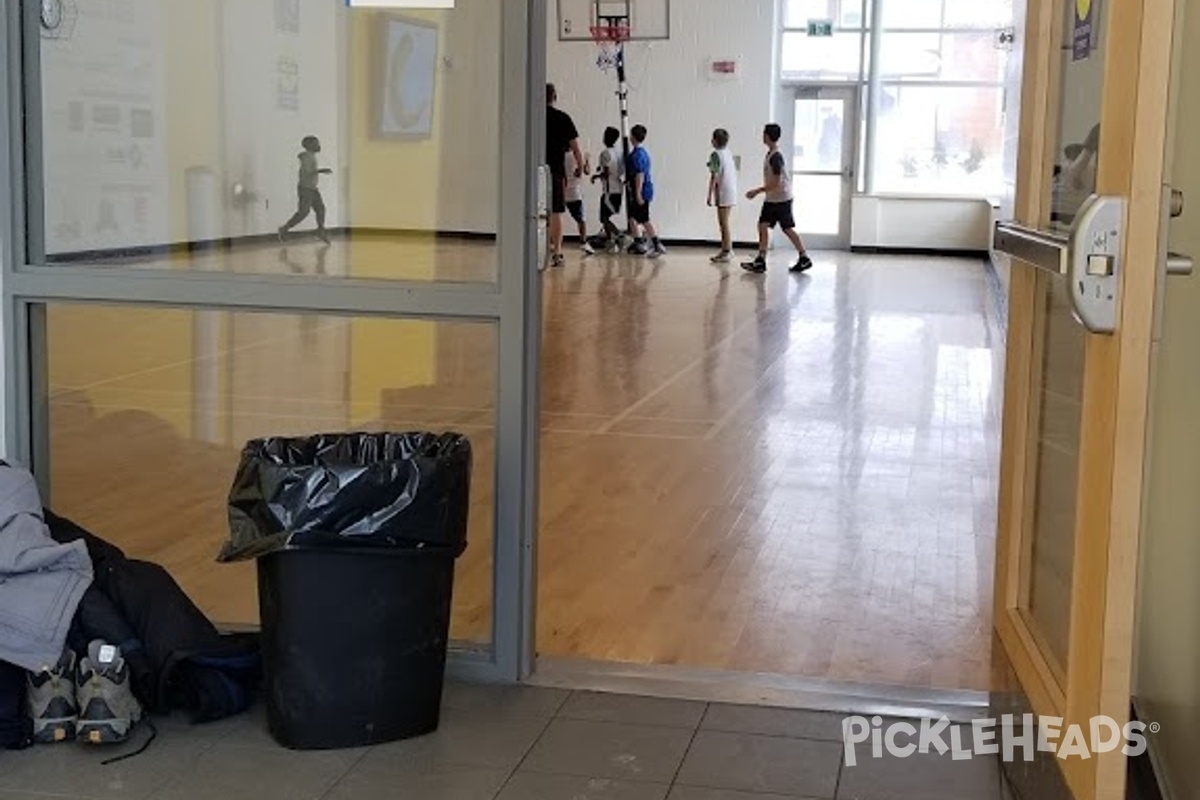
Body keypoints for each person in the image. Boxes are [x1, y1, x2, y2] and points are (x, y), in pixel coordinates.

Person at [742, 123, 813, 274]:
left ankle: (803, 257)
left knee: (786, 228)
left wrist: (757, 191)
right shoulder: (771, 154)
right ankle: (761, 260)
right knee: (763, 225)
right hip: (774, 198)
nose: (762, 136)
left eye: (763, 133)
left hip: (781, 199)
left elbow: (775, 182)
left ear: (767, 136)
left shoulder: (776, 157)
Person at [546, 83, 585, 268]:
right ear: (555, 96)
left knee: (533, 212)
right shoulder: (563, 118)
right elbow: (576, 148)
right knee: (556, 212)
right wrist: (581, 166)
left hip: (534, 171)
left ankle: (537, 249)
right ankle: (558, 253)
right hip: (555, 171)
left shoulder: (532, 117)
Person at [278, 135, 332, 244]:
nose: (318, 145)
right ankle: (284, 229)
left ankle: (320, 231)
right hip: (305, 189)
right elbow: (306, 172)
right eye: (316, 143)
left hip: (312, 188)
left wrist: (319, 172)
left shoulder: (310, 156)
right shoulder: (306, 156)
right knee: (303, 212)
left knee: (320, 209)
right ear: (310, 145)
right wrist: (321, 170)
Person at [626, 124, 666, 259]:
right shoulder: (640, 153)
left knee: (644, 219)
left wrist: (638, 193)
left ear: (632, 136)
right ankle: (639, 243)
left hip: (642, 190)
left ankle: (657, 244)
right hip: (643, 189)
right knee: (632, 218)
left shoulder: (638, 155)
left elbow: (640, 175)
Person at [706, 128, 738, 263]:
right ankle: (726, 249)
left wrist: (709, 195)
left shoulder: (715, 154)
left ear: (714, 140)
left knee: (723, 223)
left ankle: (727, 251)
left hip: (723, 191)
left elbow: (714, 176)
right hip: (731, 190)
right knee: (725, 222)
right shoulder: (728, 153)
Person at [593, 126, 625, 253]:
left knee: (604, 217)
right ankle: (611, 240)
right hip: (618, 187)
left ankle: (617, 238)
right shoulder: (620, 152)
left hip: (609, 190)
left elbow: (605, 172)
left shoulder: (605, 153)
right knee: (606, 217)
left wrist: (596, 176)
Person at [564, 150, 595, 256]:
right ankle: (583, 242)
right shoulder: (576, 156)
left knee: (555, 217)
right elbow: (586, 171)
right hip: (574, 192)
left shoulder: (560, 155)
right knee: (581, 219)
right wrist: (587, 161)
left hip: (561, 191)